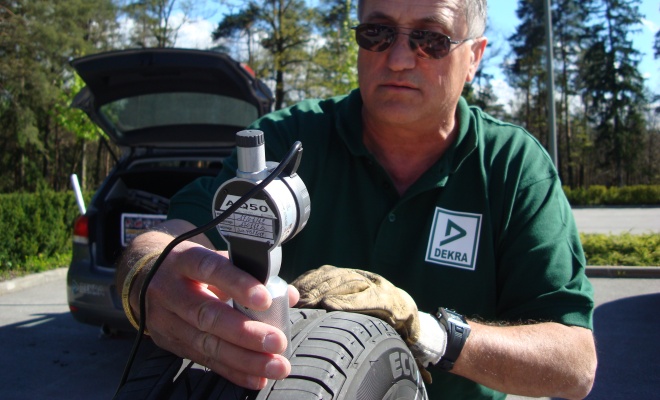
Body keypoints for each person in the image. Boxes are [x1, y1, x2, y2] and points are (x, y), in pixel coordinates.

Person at [117, 0, 597, 398]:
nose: (399, 58)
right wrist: (145, 272)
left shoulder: (513, 167)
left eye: (431, 38)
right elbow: (177, 234)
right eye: (377, 33)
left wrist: (427, 333)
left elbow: (574, 364)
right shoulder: (287, 141)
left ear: (475, 56)